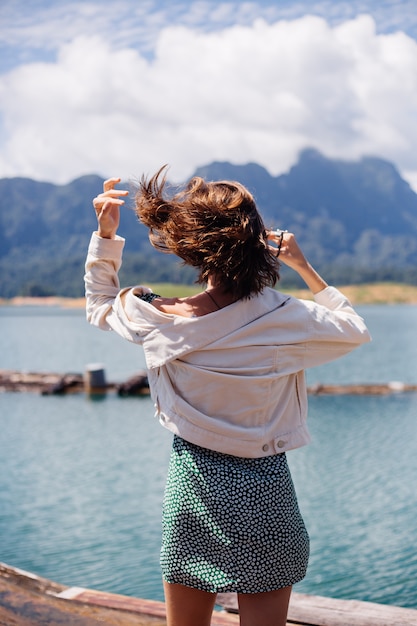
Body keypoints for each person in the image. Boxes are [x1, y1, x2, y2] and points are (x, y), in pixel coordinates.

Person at [85, 167, 371, 626]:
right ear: (257, 240)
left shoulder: (158, 317)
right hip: (266, 487)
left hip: (193, 485)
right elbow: (355, 330)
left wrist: (105, 236)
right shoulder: (286, 318)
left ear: (193, 247)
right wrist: (302, 266)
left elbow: (99, 304)